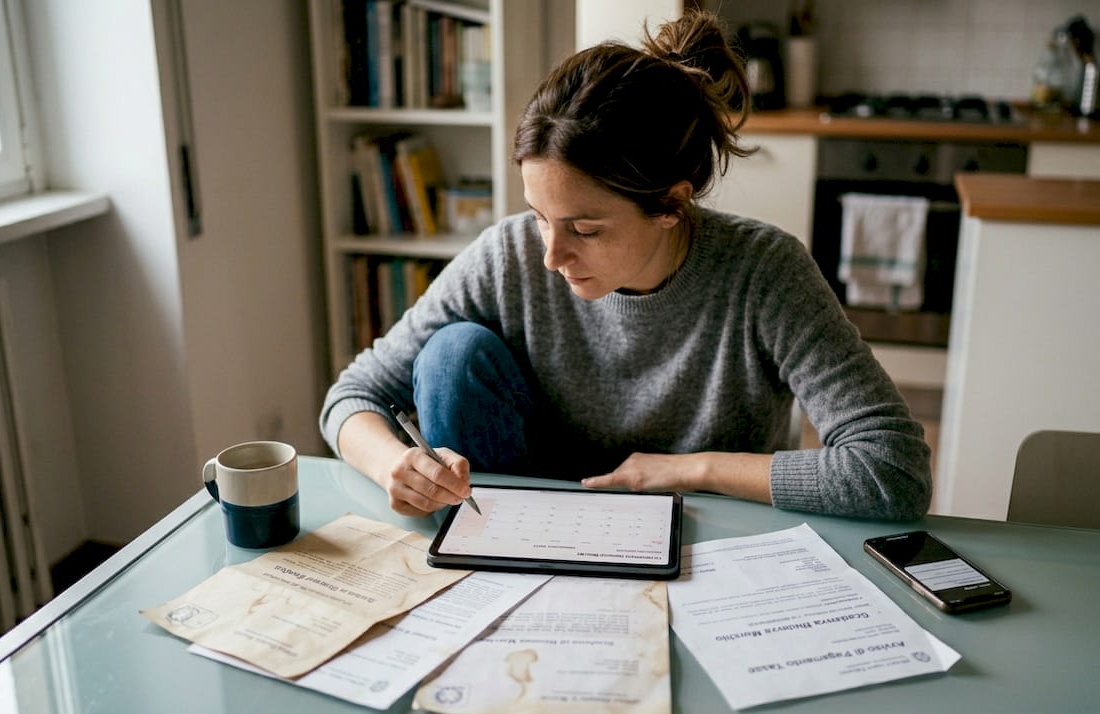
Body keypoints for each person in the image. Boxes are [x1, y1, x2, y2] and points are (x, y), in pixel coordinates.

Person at [320, 10, 932, 521]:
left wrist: (692, 470)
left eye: (585, 229)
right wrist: (391, 465)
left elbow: (894, 468)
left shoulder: (764, 273)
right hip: (536, 523)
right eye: (538, 215)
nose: (551, 256)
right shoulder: (509, 255)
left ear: (671, 204)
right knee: (452, 354)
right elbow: (353, 395)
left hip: (708, 527)